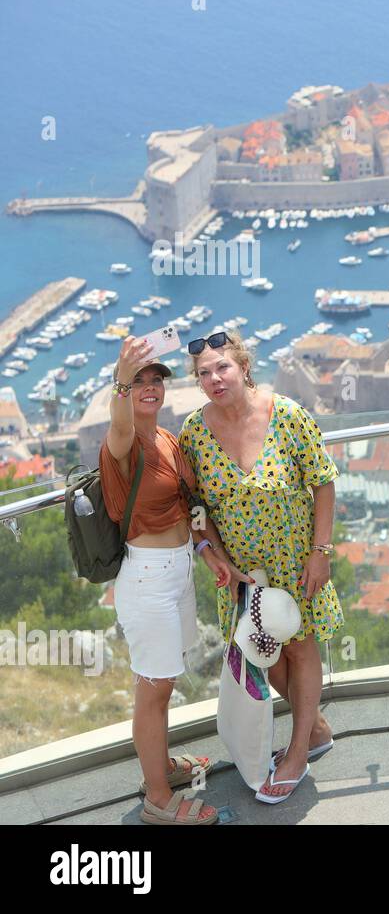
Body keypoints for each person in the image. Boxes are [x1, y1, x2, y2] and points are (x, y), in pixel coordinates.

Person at [179, 329, 340, 803]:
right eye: (204, 373)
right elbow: (195, 509)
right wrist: (215, 557)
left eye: (222, 367)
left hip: (296, 561)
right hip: (244, 574)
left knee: (300, 647)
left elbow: (324, 483)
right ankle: (317, 728)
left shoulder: (287, 415)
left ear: (243, 367)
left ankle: (296, 753)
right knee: (266, 657)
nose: (214, 378)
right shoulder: (194, 433)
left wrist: (321, 553)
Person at [104, 336, 240, 825]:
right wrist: (122, 377)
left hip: (180, 569)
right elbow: (119, 423)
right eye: (138, 382)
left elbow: (189, 505)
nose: (149, 388)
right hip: (147, 580)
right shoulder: (123, 444)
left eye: (155, 380)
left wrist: (207, 553)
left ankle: (160, 766)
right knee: (153, 688)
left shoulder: (166, 438)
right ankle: (158, 799)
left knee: (165, 678)